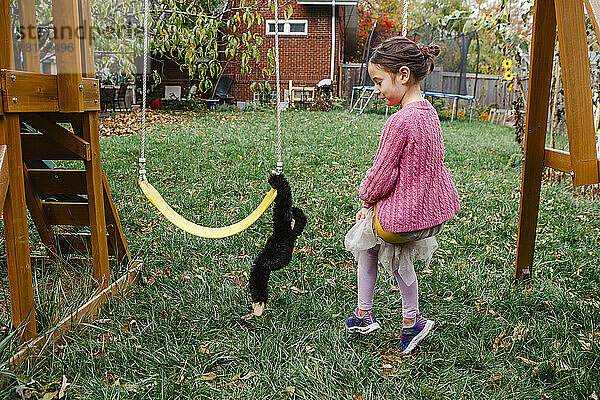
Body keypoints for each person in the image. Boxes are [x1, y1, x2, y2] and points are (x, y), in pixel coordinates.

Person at [344, 36, 460, 354]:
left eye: (380, 82)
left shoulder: (399, 121)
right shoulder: (430, 114)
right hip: (424, 211)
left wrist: (366, 203)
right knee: (386, 256)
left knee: (369, 245)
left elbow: (382, 173)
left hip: (401, 215)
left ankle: (407, 321)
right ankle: (365, 314)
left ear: (403, 75)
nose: (377, 90)